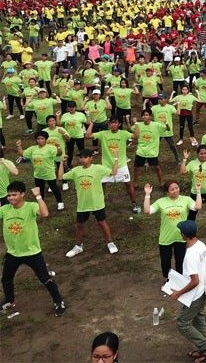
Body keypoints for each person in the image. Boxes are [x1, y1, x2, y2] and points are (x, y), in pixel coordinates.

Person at [0, 181, 66, 316]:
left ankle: (58, 301)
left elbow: (45, 213)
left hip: (32, 252)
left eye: (14, 195)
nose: (11, 198)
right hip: (13, 253)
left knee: (45, 278)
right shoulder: (5, 209)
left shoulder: (30, 207)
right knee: (6, 279)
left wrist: (38, 196)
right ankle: (10, 300)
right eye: (9, 195)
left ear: (22, 194)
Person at [60, 149, 120, 258]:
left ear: (91, 158)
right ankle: (78, 246)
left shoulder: (98, 168)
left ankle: (110, 242)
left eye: (85, 157)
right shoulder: (76, 170)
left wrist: (116, 158)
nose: (82, 159)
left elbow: (114, 172)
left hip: (97, 203)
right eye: (81, 157)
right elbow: (60, 177)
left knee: (102, 222)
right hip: (83, 204)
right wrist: (60, 163)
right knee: (80, 225)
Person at [172, 220, 206, 363]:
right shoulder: (201, 245)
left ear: (183, 234)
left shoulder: (190, 254)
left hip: (195, 295)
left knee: (182, 323)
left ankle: (204, 347)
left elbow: (194, 280)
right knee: (198, 317)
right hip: (204, 290)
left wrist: (178, 293)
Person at [143, 179, 202, 280]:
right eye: (172, 189)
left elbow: (198, 206)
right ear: (167, 192)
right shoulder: (161, 201)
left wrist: (198, 191)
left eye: (176, 188)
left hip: (181, 237)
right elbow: (147, 210)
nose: (175, 191)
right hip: (166, 237)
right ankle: (168, 279)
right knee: (165, 261)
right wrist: (147, 195)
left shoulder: (186, 199)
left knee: (181, 261)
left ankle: (180, 280)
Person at [16, 132, 64, 210]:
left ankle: (60, 202)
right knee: (40, 190)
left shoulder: (51, 148)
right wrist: (19, 146)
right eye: (38, 139)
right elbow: (22, 154)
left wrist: (58, 147)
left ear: (46, 139)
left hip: (49, 173)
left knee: (54, 188)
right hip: (38, 174)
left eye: (42, 139)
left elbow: (59, 154)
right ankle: (41, 204)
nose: (40, 140)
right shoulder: (32, 149)